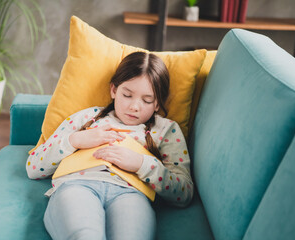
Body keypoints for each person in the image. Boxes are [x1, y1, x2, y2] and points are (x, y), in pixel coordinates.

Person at [26, 52, 194, 240]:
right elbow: (33, 167)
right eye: (127, 95)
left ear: (157, 103)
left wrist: (141, 164)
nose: (134, 106)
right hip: (77, 187)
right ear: (113, 90)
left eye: (147, 100)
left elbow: (184, 192)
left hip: (131, 194)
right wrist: (76, 140)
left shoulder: (166, 130)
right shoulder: (86, 118)